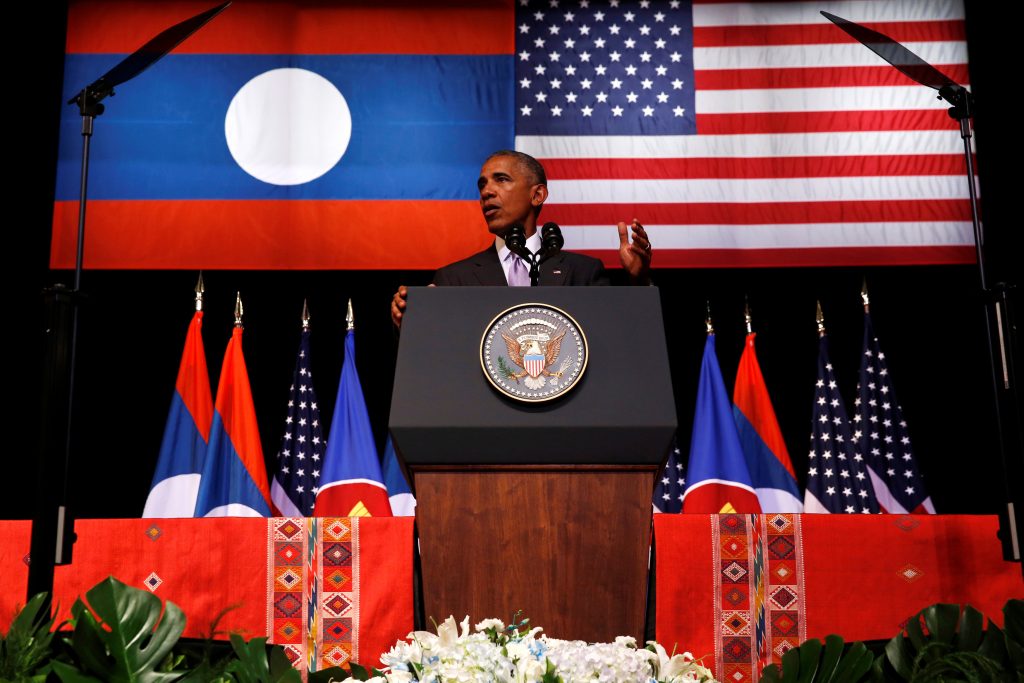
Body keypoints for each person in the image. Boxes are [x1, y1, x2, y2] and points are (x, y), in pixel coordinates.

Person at [390, 150, 652, 328]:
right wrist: (411, 325)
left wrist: (638, 282)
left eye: (501, 180)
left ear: (537, 195)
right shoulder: (453, 280)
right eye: (482, 185)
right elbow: (436, 360)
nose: (487, 192)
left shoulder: (582, 272)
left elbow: (622, 341)